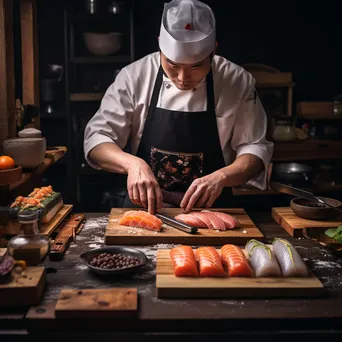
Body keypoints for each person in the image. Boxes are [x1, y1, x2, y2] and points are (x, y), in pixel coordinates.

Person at [83, 0, 274, 214]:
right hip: (146, 210)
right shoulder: (134, 76)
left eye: (196, 66)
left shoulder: (236, 80)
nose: (183, 79)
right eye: (172, 65)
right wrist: (132, 164)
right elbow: (97, 140)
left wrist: (222, 177)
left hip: (213, 209)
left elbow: (255, 148)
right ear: (159, 46)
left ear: (213, 51)